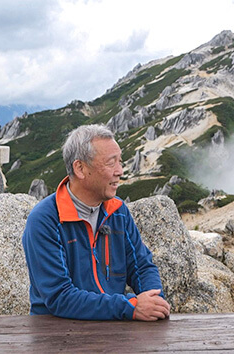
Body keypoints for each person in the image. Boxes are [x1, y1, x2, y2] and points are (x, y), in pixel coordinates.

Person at [22, 124, 171, 321]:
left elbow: (141, 267)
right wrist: (130, 306)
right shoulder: (45, 220)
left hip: (112, 326)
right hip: (58, 333)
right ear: (80, 168)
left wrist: (154, 301)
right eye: (111, 163)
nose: (120, 171)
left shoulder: (118, 212)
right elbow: (60, 298)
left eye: (121, 161)